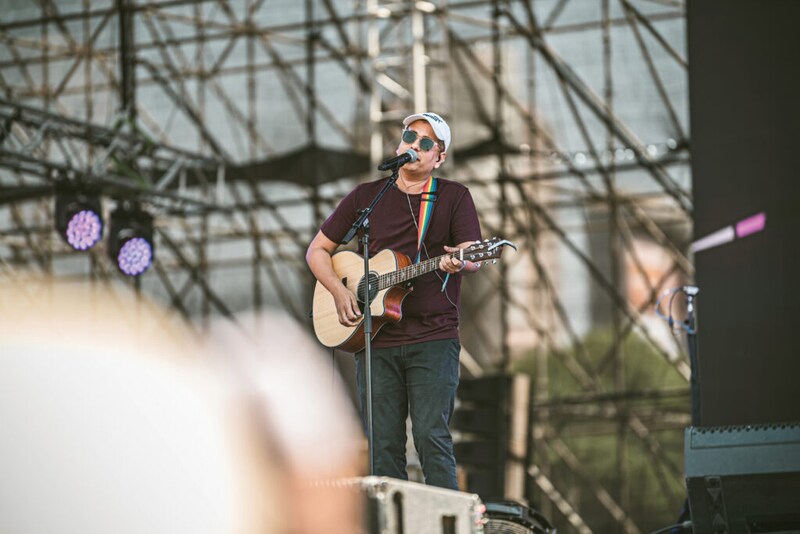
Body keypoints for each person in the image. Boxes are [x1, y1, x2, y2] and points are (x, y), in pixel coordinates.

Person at [306, 112, 483, 490]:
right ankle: (391, 520)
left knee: (430, 437)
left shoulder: (453, 196)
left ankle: (445, 518)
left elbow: (472, 253)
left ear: (439, 157)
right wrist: (339, 290)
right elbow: (318, 250)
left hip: (433, 337)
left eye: (425, 143)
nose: (414, 145)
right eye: (409, 136)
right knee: (382, 448)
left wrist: (462, 260)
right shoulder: (366, 197)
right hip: (376, 339)